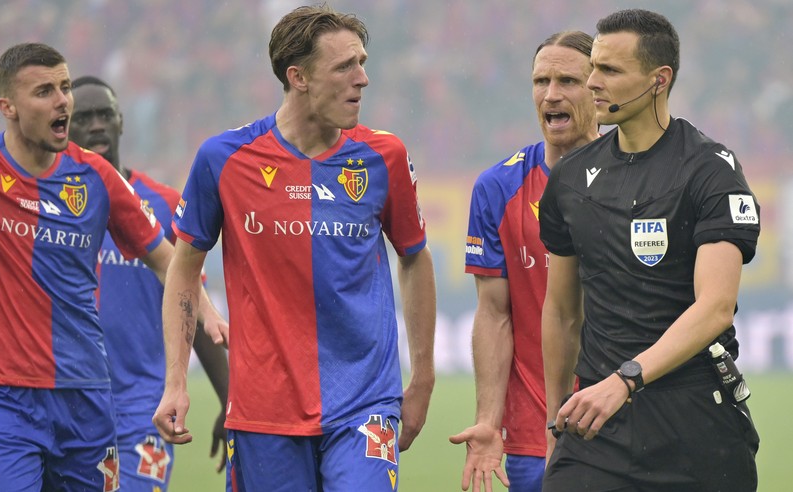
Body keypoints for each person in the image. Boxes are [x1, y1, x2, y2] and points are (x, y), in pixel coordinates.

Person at [152, 4, 437, 491]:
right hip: (263, 410)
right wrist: (176, 381)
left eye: (362, 62)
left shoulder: (383, 155)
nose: (363, 79)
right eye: (344, 66)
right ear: (298, 77)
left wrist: (423, 378)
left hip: (364, 401)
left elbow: (414, 258)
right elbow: (183, 267)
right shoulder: (224, 159)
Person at [0, 42, 185, 491]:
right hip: (1, 398)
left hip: (86, 396)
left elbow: (171, 263)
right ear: (7, 107)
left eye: (64, 87)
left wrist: (206, 325)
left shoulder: (96, 175)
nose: (62, 100)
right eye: (44, 91)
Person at [540, 9, 760, 491]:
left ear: (659, 80)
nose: (592, 82)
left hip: (696, 425)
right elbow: (561, 312)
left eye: (610, 70)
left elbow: (716, 306)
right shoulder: (570, 177)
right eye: (593, 68)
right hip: (595, 430)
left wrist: (626, 380)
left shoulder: (710, 171)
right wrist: (556, 418)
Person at [449, 31, 598, 492]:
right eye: (540, 81)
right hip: (535, 431)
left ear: (597, 89)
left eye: (567, 81)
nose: (551, 94)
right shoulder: (498, 187)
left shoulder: (637, 180)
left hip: (625, 418)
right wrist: (488, 420)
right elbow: (494, 313)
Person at [69, 75, 231, 490]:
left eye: (105, 114)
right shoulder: (50, 205)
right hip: (70, 402)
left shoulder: (163, 204)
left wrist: (229, 400)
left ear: (121, 121)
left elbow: (191, 304)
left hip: (144, 406)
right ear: (63, 126)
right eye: (83, 118)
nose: (97, 125)